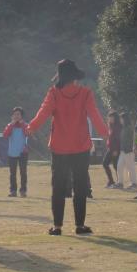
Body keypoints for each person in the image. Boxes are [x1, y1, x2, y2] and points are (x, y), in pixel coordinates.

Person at [27, 59, 108, 236]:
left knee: (58, 186)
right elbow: (95, 114)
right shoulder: (85, 93)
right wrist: (105, 134)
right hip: (81, 147)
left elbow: (44, 112)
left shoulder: (54, 93)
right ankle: (80, 225)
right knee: (80, 186)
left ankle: (57, 226)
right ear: (75, 76)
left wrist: (30, 128)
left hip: (59, 147)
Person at [3, 107, 29, 197]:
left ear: (22, 116)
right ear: (12, 116)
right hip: (12, 152)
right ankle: (13, 191)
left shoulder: (25, 125)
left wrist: (22, 125)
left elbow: (27, 133)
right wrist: (11, 124)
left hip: (23, 152)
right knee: (12, 173)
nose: (16, 116)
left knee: (23, 172)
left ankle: (23, 191)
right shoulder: (10, 125)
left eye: (18, 114)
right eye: (15, 114)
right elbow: (5, 135)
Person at [117, 111, 137, 190]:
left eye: (121, 119)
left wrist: (132, 148)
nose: (120, 120)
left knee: (130, 168)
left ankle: (134, 184)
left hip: (129, 151)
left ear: (124, 119)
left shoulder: (129, 128)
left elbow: (133, 139)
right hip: (123, 151)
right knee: (119, 166)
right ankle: (120, 183)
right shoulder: (123, 128)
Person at [102, 110, 121, 188]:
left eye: (111, 117)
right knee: (105, 163)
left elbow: (118, 140)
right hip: (111, 148)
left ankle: (119, 182)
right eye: (109, 117)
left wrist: (116, 150)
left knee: (116, 166)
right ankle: (111, 181)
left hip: (115, 149)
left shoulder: (117, 127)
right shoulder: (110, 126)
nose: (109, 118)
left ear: (115, 118)